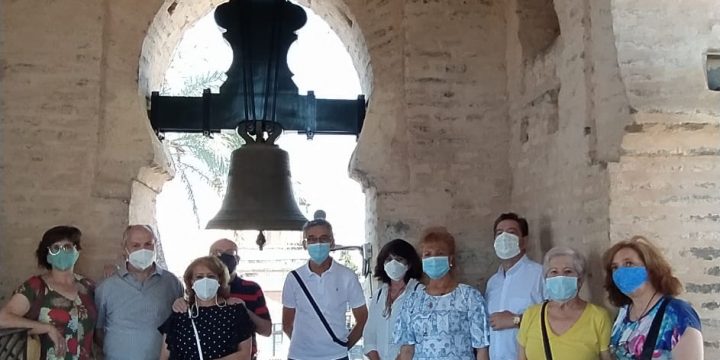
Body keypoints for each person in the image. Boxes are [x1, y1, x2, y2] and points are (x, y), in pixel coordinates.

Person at [0, 225, 97, 359]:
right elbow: (3, 318)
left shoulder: (89, 287)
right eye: (55, 248)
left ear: (77, 251)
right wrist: (46, 328)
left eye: (67, 247)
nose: (62, 252)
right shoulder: (35, 286)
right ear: (47, 255)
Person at [396, 227, 490, 360]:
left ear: (450, 259)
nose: (433, 258)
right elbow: (406, 350)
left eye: (439, 253)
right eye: (427, 254)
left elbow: (481, 350)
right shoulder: (413, 300)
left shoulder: (469, 297)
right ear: (422, 260)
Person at [604, 236, 703, 360]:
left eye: (628, 263)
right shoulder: (623, 312)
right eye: (615, 267)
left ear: (651, 268)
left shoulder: (678, 315)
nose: (620, 272)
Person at [281, 218, 368, 360]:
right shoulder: (293, 278)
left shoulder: (347, 276)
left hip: (337, 357)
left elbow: (363, 318)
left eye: (323, 238)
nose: (318, 244)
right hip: (299, 356)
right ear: (305, 244)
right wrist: (305, 348)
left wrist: (342, 348)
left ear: (332, 242)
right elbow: (286, 324)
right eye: (312, 239)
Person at [94, 225, 184, 360]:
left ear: (155, 246)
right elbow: (97, 331)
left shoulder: (172, 283)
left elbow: (180, 326)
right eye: (136, 245)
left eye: (148, 244)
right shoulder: (107, 287)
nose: (143, 250)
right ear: (125, 249)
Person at [173, 238, 272, 359]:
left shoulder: (252, 288)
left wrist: (244, 310)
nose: (223, 257)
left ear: (237, 259)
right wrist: (180, 303)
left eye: (230, 253)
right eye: (217, 252)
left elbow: (266, 331)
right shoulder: (199, 288)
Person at [517, 246, 612, 360]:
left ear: (580, 279)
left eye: (568, 271)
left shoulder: (598, 317)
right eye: (554, 272)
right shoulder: (531, 314)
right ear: (546, 279)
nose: (560, 277)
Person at [159, 256, 253, 360]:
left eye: (211, 276)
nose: (205, 280)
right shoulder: (180, 314)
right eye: (199, 277)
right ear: (191, 281)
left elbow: (244, 355)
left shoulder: (235, 311)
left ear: (220, 280)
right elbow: (164, 356)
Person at [484, 212, 544, 360]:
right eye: (499, 233)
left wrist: (516, 320)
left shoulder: (540, 274)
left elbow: (555, 317)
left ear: (524, 241)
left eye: (511, 232)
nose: (504, 238)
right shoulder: (493, 282)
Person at [362, 239, 424, 360]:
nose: (393, 264)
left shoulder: (420, 293)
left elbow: (419, 337)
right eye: (389, 260)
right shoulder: (379, 295)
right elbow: (369, 335)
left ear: (409, 264)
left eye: (399, 259)